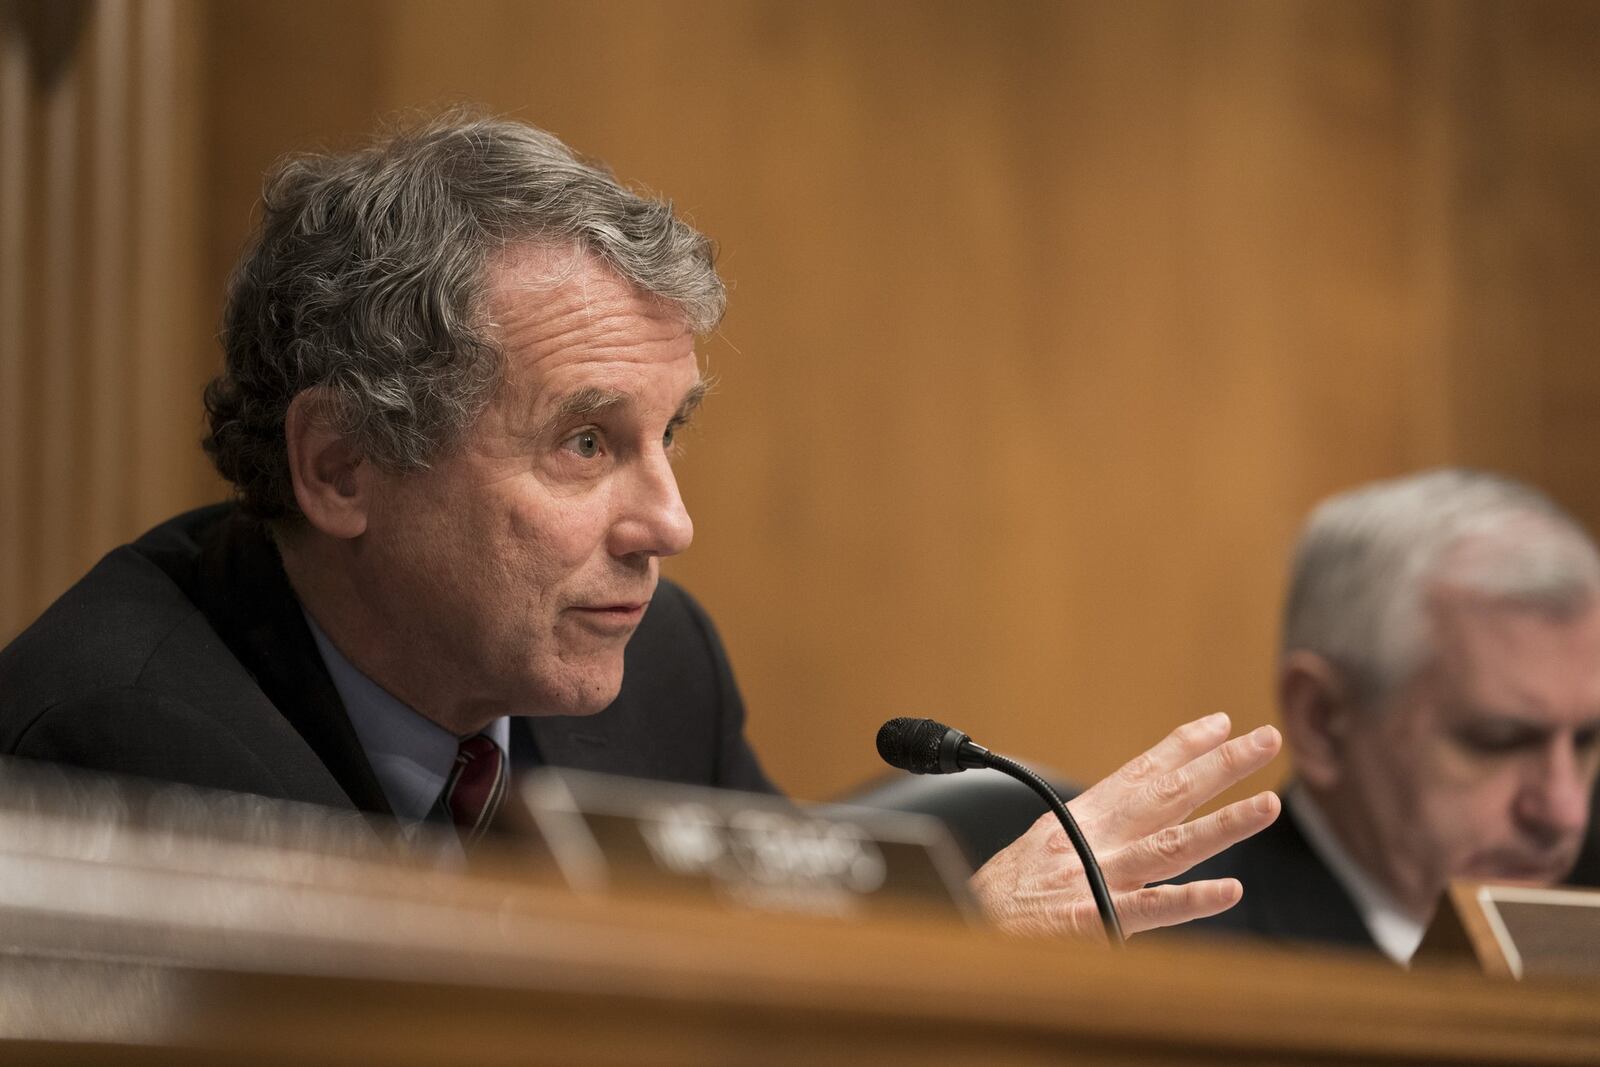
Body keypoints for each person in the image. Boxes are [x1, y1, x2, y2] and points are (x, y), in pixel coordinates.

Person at [0, 111, 1281, 941]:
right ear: (341, 466)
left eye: (672, 436)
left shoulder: (655, 671)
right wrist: (968, 956)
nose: (665, 522)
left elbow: (790, 965)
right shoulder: (115, 752)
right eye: (584, 441)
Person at [1177, 469, 1600, 962]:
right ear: (1322, 722)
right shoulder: (1179, 964)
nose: (1564, 812)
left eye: (1587, 741)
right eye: (1497, 740)